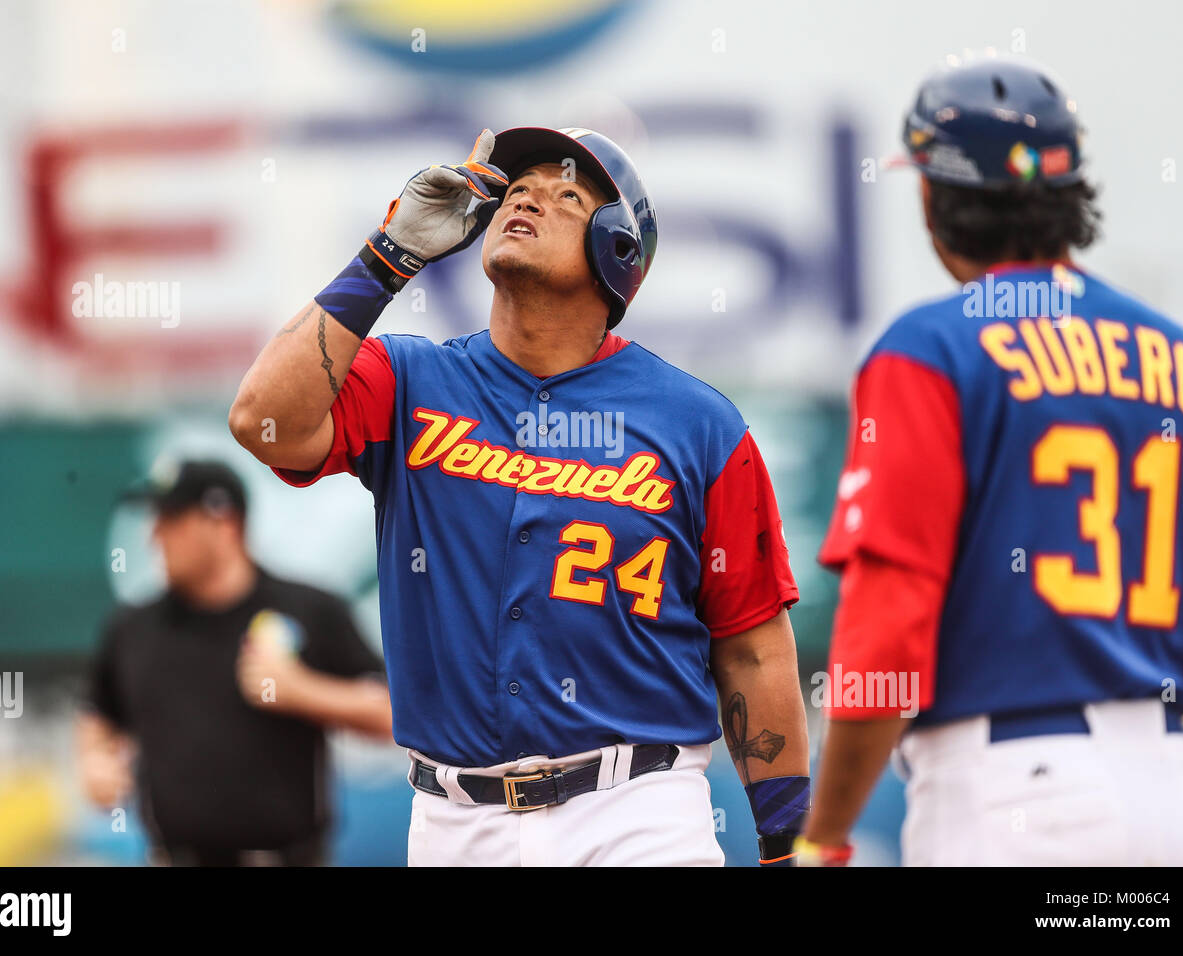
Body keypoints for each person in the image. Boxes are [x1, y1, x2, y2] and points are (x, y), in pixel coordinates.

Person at [229, 127, 810, 866]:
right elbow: (263, 422)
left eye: (566, 194)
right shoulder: (410, 381)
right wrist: (388, 253)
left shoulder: (698, 423)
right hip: (453, 821)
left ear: (616, 250)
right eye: (517, 189)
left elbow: (753, 647)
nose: (527, 198)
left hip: (635, 809)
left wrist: (788, 844)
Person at [800, 56, 1183, 866]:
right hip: (1174, 803)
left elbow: (888, 625)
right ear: (1071, 194)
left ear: (931, 197)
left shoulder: (930, 348)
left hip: (1009, 797)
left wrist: (827, 835)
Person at [77, 458, 393, 866]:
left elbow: (390, 713)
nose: (153, 536)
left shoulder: (307, 610)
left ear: (223, 524)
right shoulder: (134, 627)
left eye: (171, 519)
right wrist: (94, 761)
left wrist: (301, 690)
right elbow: (99, 712)